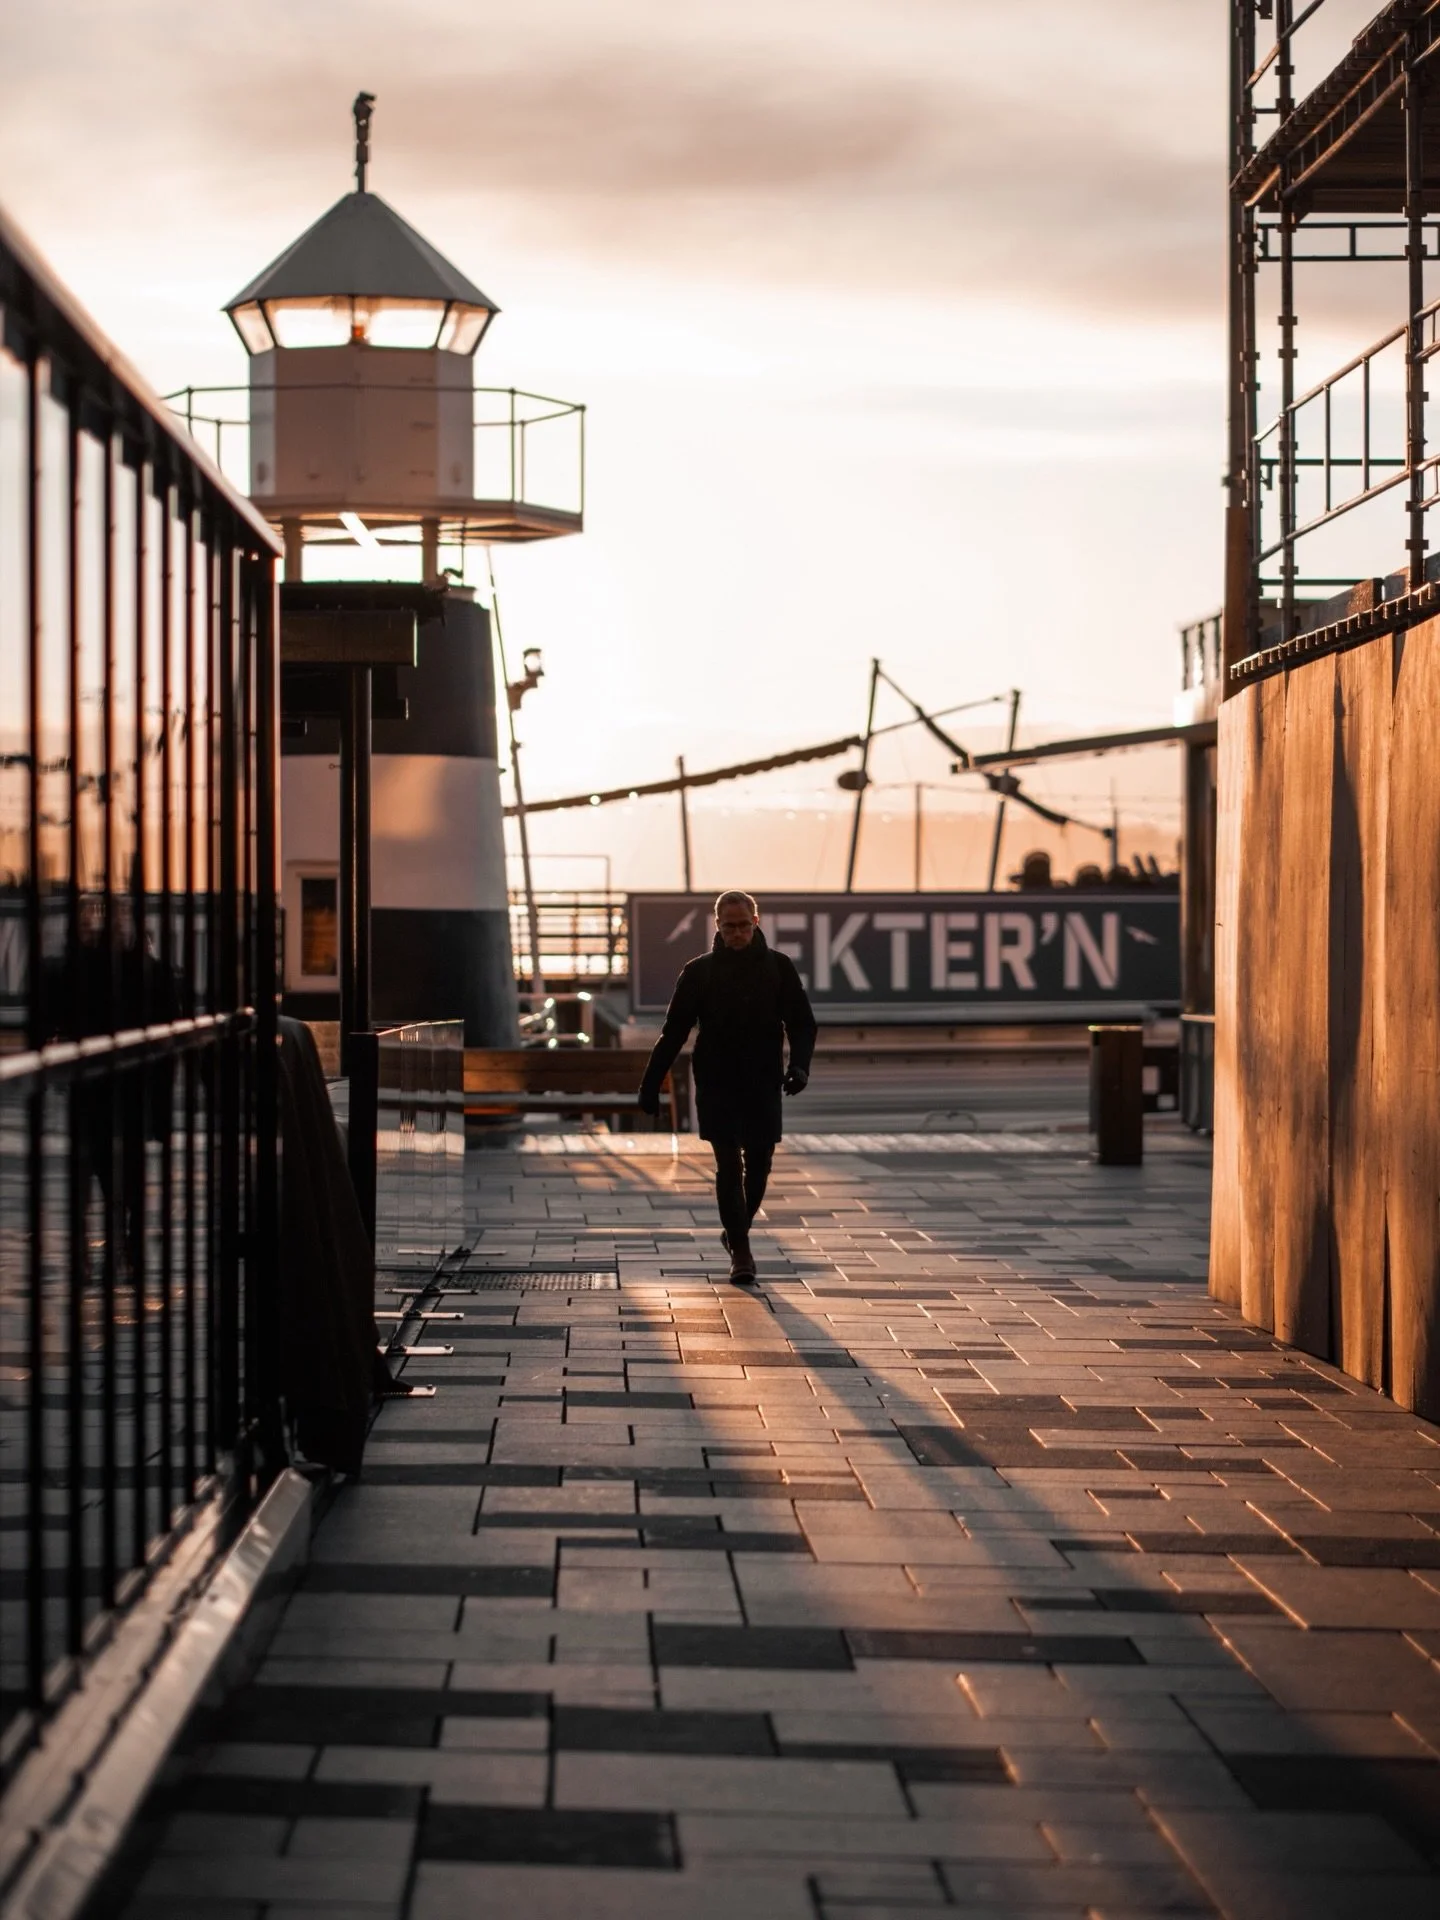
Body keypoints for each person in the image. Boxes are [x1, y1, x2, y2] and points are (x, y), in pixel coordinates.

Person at [638, 889, 816, 1283]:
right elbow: (673, 1033)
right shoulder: (698, 972)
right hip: (716, 1080)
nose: (737, 933)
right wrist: (651, 1084)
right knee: (728, 1165)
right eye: (729, 926)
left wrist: (800, 1067)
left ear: (756, 922)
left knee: (760, 1163)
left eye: (743, 925)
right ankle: (742, 1251)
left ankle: (736, 1230)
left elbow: (802, 1023)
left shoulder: (778, 967)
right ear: (717, 926)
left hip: (763, 1078)